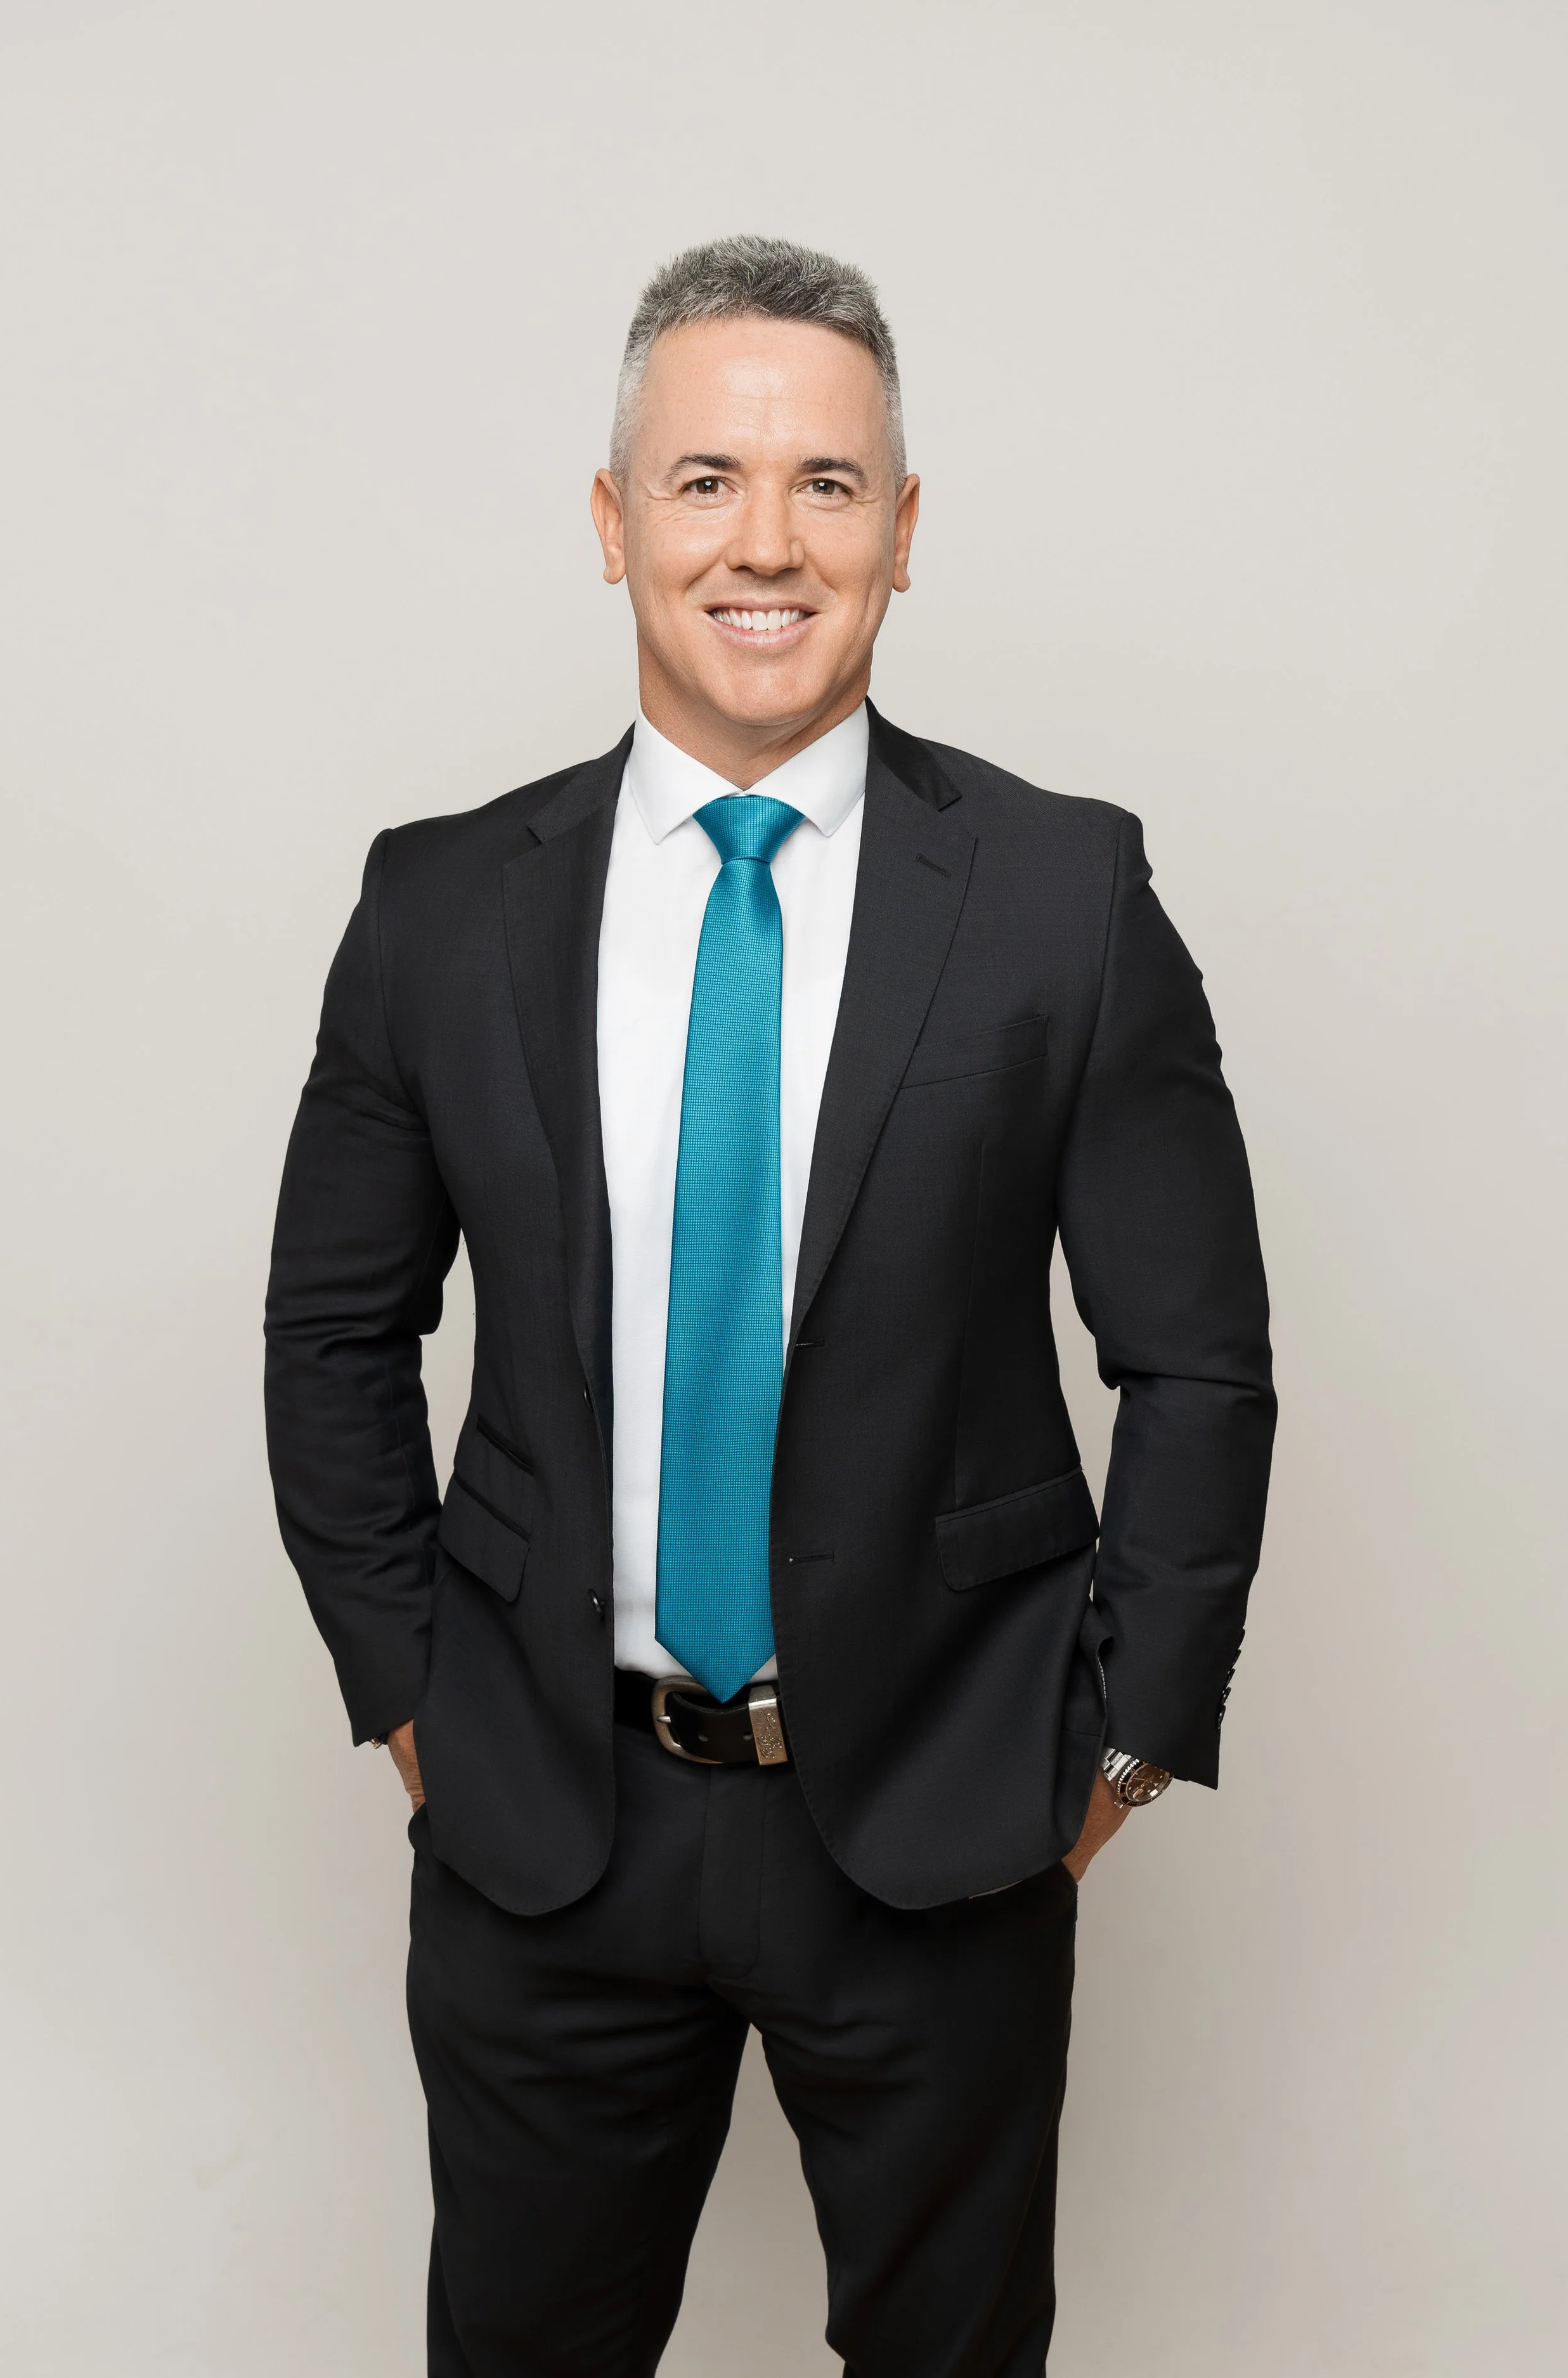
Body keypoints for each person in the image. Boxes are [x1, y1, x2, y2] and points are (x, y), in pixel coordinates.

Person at [265, 234, 1275, 2377]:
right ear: (613, 521)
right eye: (705, 479)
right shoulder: (439, 901)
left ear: (902, 539)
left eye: (827, 485)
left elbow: (1193, 1355)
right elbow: (331, 1330)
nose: (766, 541)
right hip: (546, 1814)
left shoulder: (1057, 893)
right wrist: (409, 1692)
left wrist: (1124, 1736)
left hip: (936, 1814)